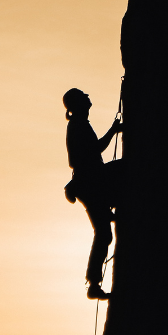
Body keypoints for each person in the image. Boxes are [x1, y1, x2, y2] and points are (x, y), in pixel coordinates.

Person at [63, 88, 124, 300]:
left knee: (104, 233)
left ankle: (94, 283)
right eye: (84, 97)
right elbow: (96, 149)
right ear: (78, 104)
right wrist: (114, 130)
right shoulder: (78, 125)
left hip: (89, 183)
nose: (89, 98)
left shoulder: (78, 124)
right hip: (91, 183)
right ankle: (94, 283)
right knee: (104, 232)